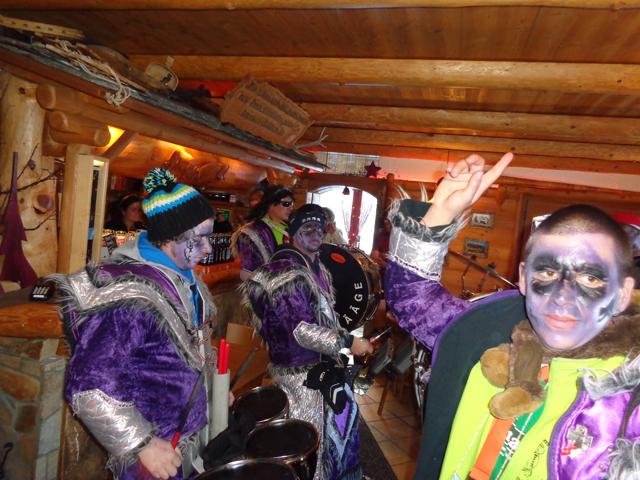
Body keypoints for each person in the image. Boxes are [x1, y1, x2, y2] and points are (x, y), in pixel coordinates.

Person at [384, 152, 638, 479]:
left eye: (590, 278)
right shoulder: (493, 331)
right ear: (523, 278)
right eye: (547, 273)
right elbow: (413, 299)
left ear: (622, 294)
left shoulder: (628, 393)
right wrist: (441, 212)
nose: (562, 298)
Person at [58, 168, 222, 480]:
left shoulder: (185, 278)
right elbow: (89, 385)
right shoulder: (129, 295)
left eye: (208, 237)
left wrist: (214, 387)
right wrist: (142, 444)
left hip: (188, 439)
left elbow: (195, 351)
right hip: (153, 457)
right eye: (199, 238)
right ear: (170, 238)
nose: (208, 248)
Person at [241, 204, 374, 480]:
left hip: (320, 366)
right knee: (311, 444)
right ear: (293, 233)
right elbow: (301, 332)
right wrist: (349, 341)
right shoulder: (285, 273)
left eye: (320, 228)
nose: (316, 234)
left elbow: (325, 317)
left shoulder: (314, 265)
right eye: (307, 229)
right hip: (301, 376)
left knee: (337, 432)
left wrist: (341, 342)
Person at [231, 184, 295, 280]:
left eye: (292, 203)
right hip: (266, 285)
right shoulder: (251, 233)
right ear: (271, 204)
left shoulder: (293, 229)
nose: (291, 208)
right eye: (286, 204)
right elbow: (248, 273)